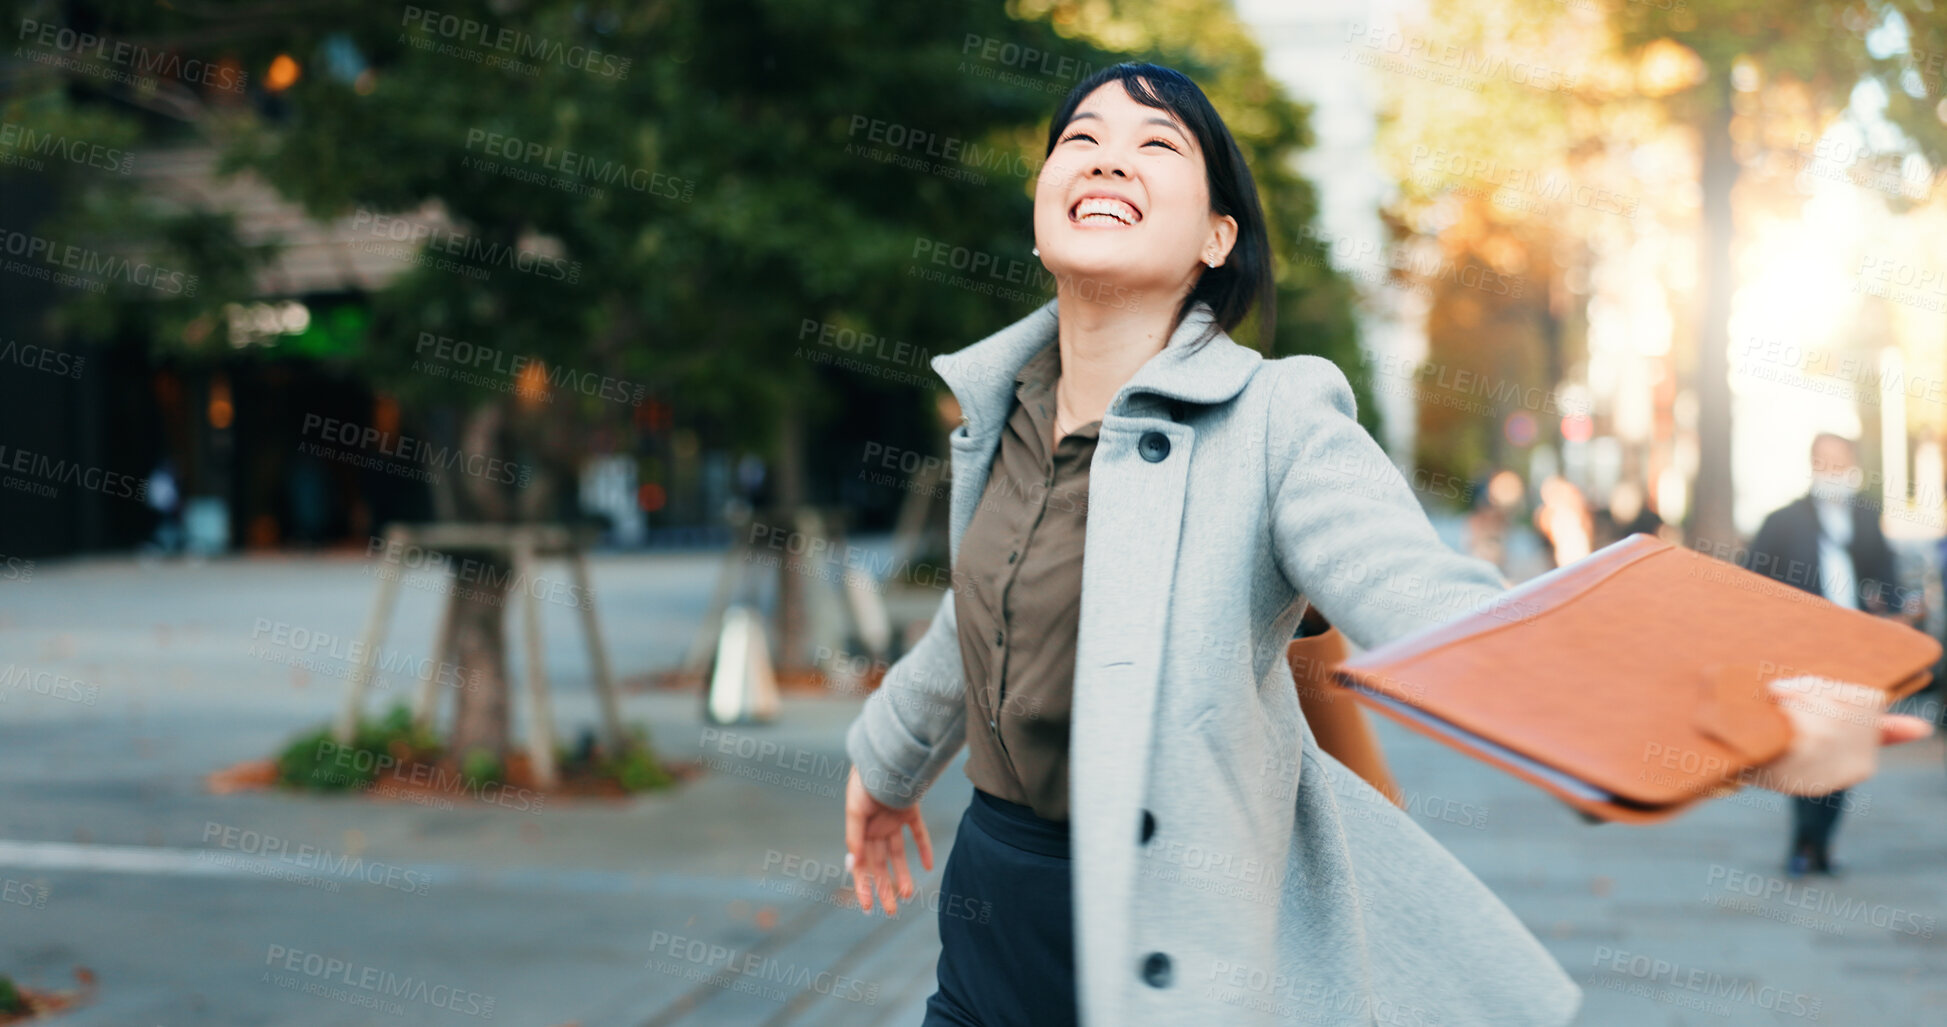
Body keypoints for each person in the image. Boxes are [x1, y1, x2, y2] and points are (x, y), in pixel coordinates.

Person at [840, 64, 1931, 1027]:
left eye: (1156, 144)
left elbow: (1450, 612)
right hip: (989, 905)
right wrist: (883, 769)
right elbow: (975, 617)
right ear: (1040, 217)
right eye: (1080, 139)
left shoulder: (1278, 419)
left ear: (1218, 237)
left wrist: (1745, 732)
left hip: (1169, 916)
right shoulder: (1003, 408)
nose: (1107, 157)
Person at [1745, 431, 1915, 876]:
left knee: (1845, 747)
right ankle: (1802, 842)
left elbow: (1885, 572)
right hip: (1802, 649)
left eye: (1839, 463)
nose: (1832, 471)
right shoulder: (1784, 521)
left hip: (1854, 650)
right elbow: (1752, 582)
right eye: (1824, 462)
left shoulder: (1863, 516)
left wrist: (1900, 611)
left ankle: (1823, 843)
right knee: (1806, 746)